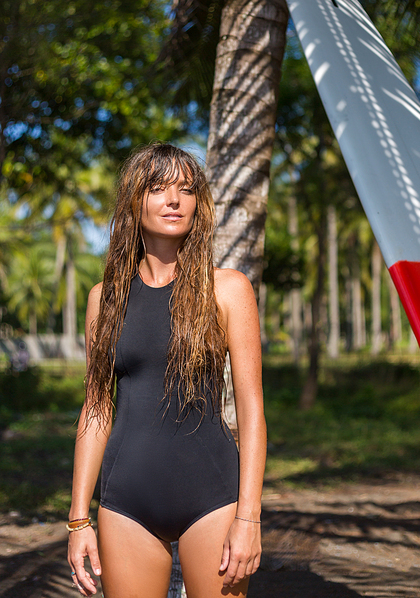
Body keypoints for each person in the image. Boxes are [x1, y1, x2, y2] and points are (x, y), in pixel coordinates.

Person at [67, 143, 266, 598]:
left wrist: (248, 516)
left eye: (186, 189)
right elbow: (96, 410)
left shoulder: (229, 290)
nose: (174, 200)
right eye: (158, 188)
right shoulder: (104, 300)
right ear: (135, 201)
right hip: (125, 503)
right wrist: (79, 518)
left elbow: (252, 411)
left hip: (212, 496)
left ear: (199, 202)